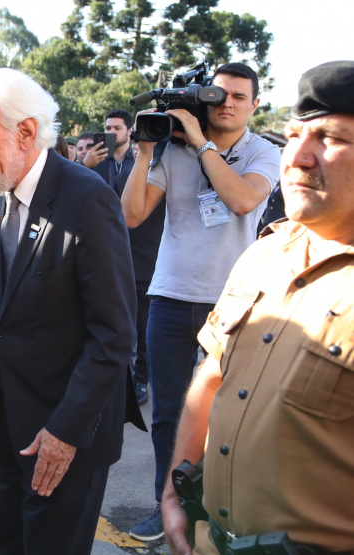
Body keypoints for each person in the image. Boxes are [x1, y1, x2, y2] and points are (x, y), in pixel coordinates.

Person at [0, 67, 145, 554]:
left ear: (26, 132)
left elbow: (114, 336)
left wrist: (64, 432)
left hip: (66, 429)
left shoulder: (88, 199)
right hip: (6, 419)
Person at [161, 60, 354, 555]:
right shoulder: (267, 252)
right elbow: (212, 376)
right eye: (293, 136)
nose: (298, 159)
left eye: (330, 139)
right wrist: (173, 491)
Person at [120, 62, 281, 541]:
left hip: (236, 301)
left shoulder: (263, 152)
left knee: (229, 412)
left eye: (237, 96)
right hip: (170, 295)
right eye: (218, 95)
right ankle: (164, 503)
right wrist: (146, 152)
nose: (226, 103)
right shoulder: (174, 151)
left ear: (254, 104)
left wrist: (203, 144)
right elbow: (131, 215)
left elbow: (242, 200)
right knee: (168, 411)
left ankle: (218, 509)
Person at [90, 108, 160, 406]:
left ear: (130, 131)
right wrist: (86, 164)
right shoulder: (98, 163)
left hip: (143, 255)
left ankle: (141, 381)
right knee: (113, 323)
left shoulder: (143, 162)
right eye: (108, 126)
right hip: (106, 255)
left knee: (143, 326)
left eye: (117, 127)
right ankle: (116, 378)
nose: (112, 132)